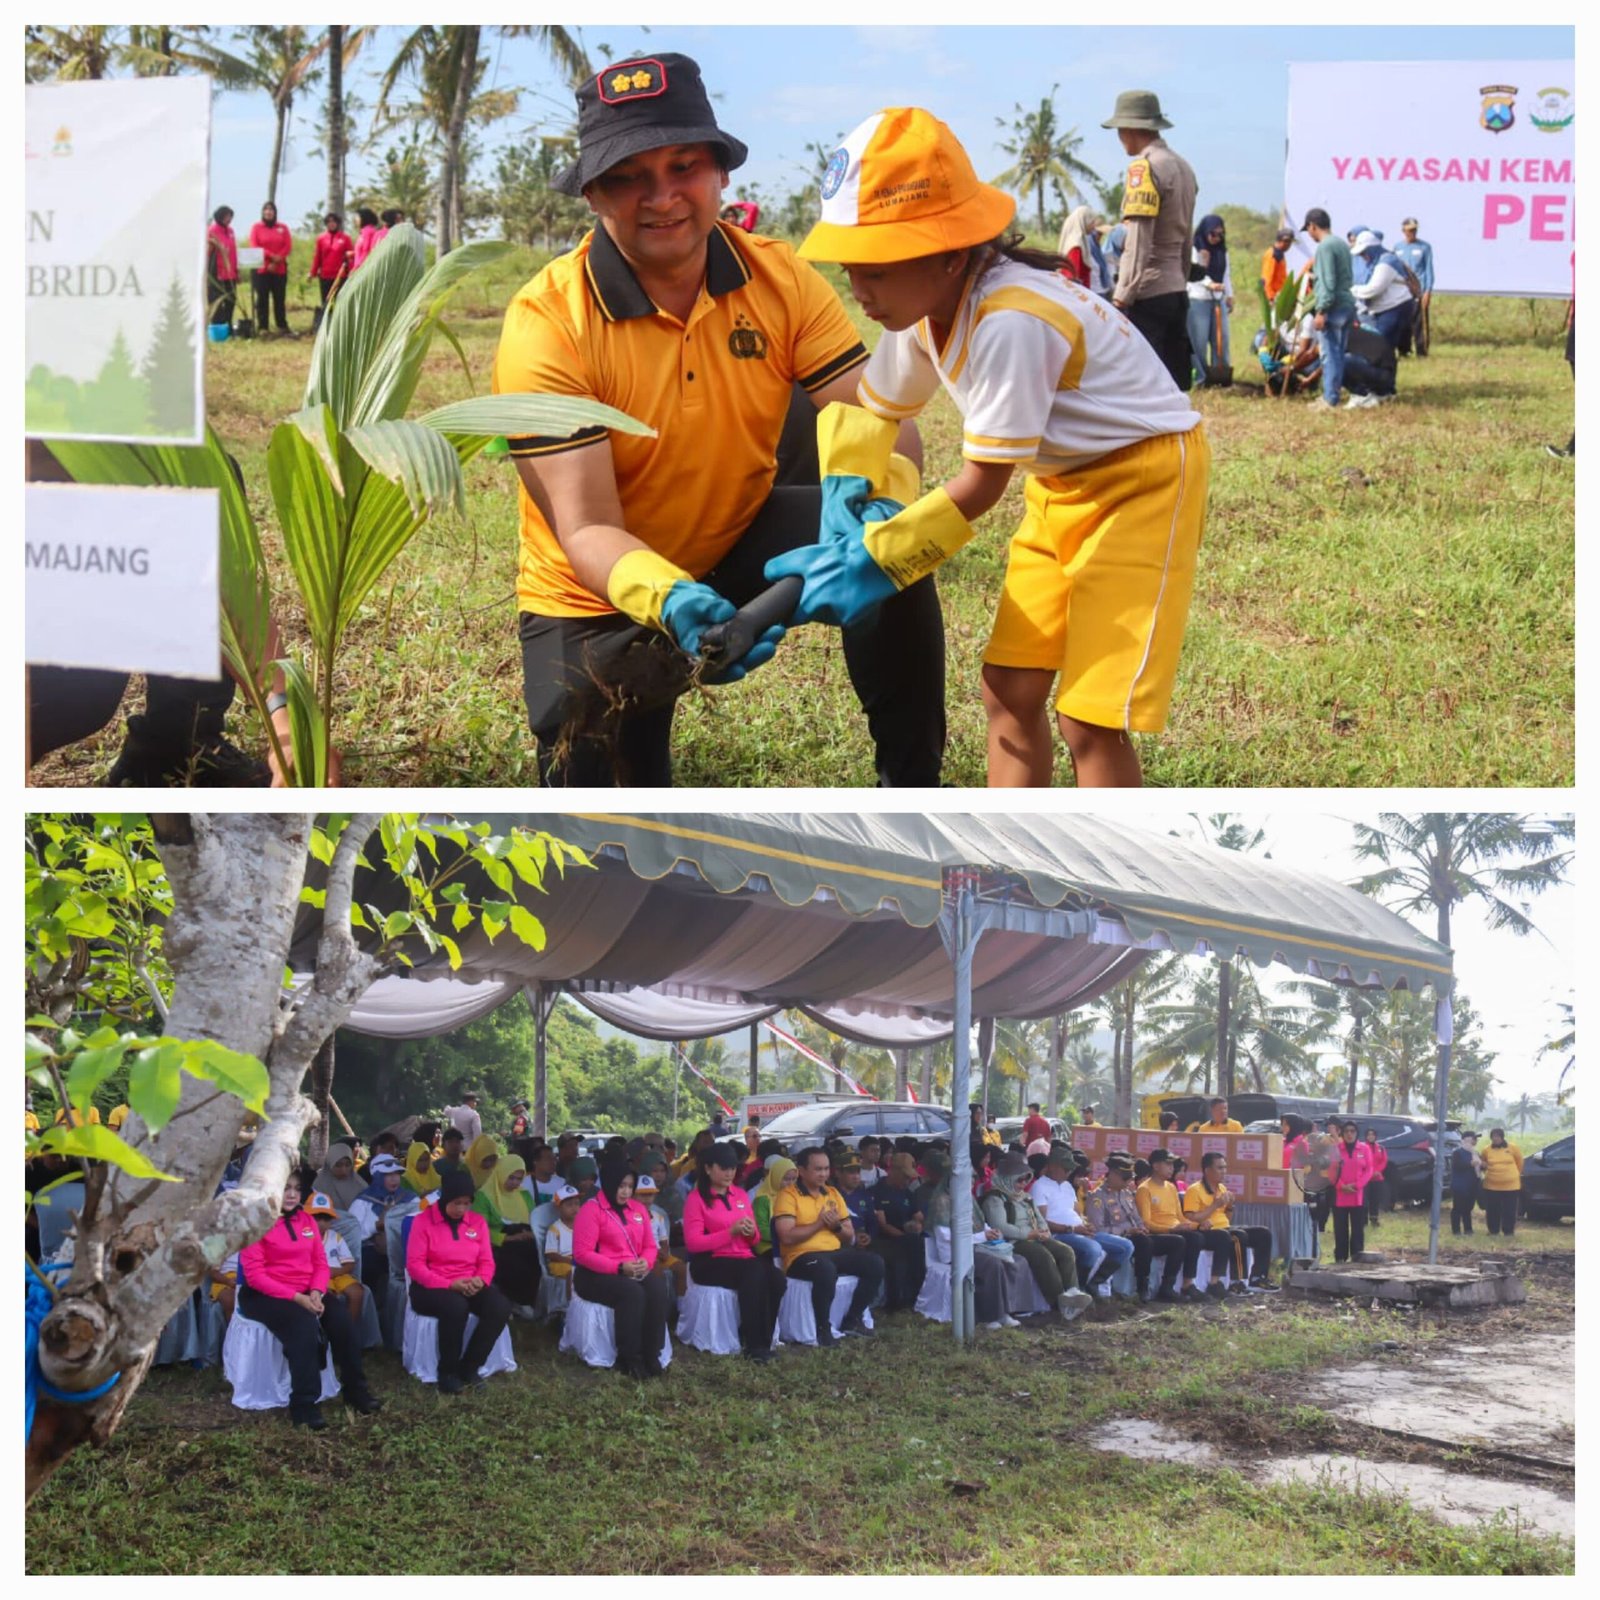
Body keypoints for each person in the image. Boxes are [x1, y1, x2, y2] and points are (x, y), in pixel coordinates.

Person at [493, 52, 942, 789]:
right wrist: (668, 598)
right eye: (630, 175)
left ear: (721, 173)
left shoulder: (778, 276)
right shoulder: (548, 324)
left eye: (682, 166)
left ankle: (914, 787)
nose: (661, 196)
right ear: (594, 193)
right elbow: (585, 530)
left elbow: (881, 418)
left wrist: (879, 507)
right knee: (609, 828)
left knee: (895, 555)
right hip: (600, 592)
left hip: (736, 536)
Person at [785, 107, 1207, 792]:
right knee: (1007, 687)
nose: (859, 293)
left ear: (950, 252)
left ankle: (1105, 877)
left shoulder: (1012, 320)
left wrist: (881, 560)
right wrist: (843, 500)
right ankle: (1007, 855)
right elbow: (874, 413)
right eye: (849, 270)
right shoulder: (921, 311)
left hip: (1144, 484)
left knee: (1089, 719)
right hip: (1062, 486)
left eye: (878, 272)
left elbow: (982, 485)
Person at [238, 1173, 382, 1427]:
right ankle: (304, 1405)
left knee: (343, 1323)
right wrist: (297, 1298)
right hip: (264, 1294)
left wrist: (316, 1290)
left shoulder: (307, 1220)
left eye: (296, 1188)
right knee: (303, 1326)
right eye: (285, 1189)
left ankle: (355, 1391)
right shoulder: (255, 1223)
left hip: (307, 1290)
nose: (292, 1194)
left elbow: (320, 1263)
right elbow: (255, 1276)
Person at [1103, 89, 1198, 391]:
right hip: (1176, 292)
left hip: (1148, 295)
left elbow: (1139, 240)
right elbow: (1186, 238)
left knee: (1139, 389)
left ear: (1130, 130)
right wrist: (1180, 279)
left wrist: (1121, 297)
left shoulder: (1144, 168)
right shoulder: (1183, 167)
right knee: (1174, 388)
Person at [405, 1170, 513, 1392]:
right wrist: (448, 1285)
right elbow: (415, 1266)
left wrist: (480, 1281)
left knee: (500, 1306)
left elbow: (486, 1261)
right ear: (445, 1199)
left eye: (466, 1203)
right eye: (456, 1203)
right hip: (431, 1287)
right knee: (456, 1307)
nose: (462, 1209)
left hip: (470, 1283)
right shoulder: (423, 1222)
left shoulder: (477, 1222)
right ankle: (448, 1372)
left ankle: (471, 1366)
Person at [773, 1146, 886, 1344]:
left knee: (874, 1263)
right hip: (800, 1256)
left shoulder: (832, 1193)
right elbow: (787, 1237)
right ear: (802, 1170)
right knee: (825, 1269)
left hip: (833, 1252)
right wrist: (819, 1224)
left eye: (826, 1169)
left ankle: (852, 1319)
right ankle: (822, 1328)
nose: (823, 1173)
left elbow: (849, 1236)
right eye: (818, 1169)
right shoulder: (788, 1195)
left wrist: (835, 1228)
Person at [682, 1140, 781, 1362]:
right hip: (709, 1262)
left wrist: (749, 1231)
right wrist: (730, 1232)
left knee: (776, 1277)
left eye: (733, 1168)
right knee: (753, 1273)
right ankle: (753, 1345)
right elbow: (694, 1243)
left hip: (742, 1256)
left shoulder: (739, 1195)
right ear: (708, 1169)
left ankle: (765, 1339)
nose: (729, 1173)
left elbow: (754, 1238)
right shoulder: (695, 1199)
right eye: (723, 1168)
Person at [572, 1156, 670, 1378]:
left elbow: (649, 1245)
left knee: (656, 1288)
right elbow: (583, 1254)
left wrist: (646, 1261)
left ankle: (652, 1354)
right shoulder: (591, 1210)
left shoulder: (637, 1209)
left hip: (632, 1269)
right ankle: (629, 1358)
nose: (626, 1192)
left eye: (629, 1186)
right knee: (632, 1293)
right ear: (608, 1183)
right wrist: (618, 1268)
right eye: (621, 1186)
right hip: (594, 1274)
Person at [983, 1151, 1093, 1319]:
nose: (1023, 1184)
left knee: (1065, 1251)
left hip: (1035, 1236)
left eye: (1026, 1179)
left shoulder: (1025, 1197)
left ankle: (1073, 1293)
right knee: (1044, 1256)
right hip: (1014, 1241)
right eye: (1019, 1180)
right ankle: (1058, 1302)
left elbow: (1040, 1218)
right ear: (1007, 1178)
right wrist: (1029, 1234)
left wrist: (1044, 1232)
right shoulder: (995, 1199)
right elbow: (1001, 1227)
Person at [1084, 1154, 1186, 1302]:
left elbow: (1137, 1218)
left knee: (1177, 1242)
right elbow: (1099, 1229)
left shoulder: (1127, 1194)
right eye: (1125, 1177)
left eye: (1130, 1177)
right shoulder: (1097, 1197)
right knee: (1144, 1242)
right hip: (1119, 1238)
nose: (1129, 1181)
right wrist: (1127, 1231)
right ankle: (1142, 1287)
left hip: (1137, 1234)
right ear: (1112, 1174)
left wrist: (1141, 1227)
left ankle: (1167, 1287)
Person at [1135, 1147, 1229, 1301]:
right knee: (1184, 1240)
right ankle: (1168, 1287)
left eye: (1173, 1165)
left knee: (1214, 1236)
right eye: (1168, 1165)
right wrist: (1171, 1229)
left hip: (1175, 1229)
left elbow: (1180, 1217)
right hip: (1159, 1232)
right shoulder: (1144, 1189)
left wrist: (1197, 1225)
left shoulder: (1171, 1188)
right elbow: (1146, 1223)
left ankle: (1199, 1284)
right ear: (1156, 1166)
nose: (1172, 1169)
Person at [1183, 1153, 1275, 1290]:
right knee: (1239, 1236)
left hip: (1224, 1227)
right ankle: (1236, 1282)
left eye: (1225, 1168)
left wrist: (1230, 1206)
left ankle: (1258, 1277)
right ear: (1207, 1170)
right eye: (1220, 1168)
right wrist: (1215, 1204)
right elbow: (1191, 1218)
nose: (1224, 1172)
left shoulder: (1221, 1188)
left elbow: (1226, 1219)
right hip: (1207, 1231)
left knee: (1263, 1233)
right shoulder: (1194, 1190)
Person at [1300, 209, 1356, 413]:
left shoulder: (1324, 247)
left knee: (1329, 354)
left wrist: (1321, 310)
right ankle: (1333, 394)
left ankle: (1329, 399)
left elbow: (1328, 282)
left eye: (1309, 230)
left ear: (1312, 226)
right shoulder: (1341, 243)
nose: (1310, 235)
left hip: (1333, 307)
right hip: (1347, 303)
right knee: (1338, 353)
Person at [477, 1151, 542, 1317]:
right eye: (511, 1177)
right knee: (515, 1258)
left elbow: (534, 1219)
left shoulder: (524, 1195)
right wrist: (509, 1238)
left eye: (519, 1179)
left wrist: (530, 1233)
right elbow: (479, 1230)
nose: (514, 1183)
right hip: (497, 1244)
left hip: (524, 1239)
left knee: (536, 1254)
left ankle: (526, 1300)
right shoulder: (483, 1197)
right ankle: (514, 1300)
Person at [349, 1152, 410, 1303]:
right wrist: (377, 1226)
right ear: (377, 1176)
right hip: (371, 1253)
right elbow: (352, 1234)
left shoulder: (410, 1199)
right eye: (388, 1174)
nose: (394, 1178)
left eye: (397, 1174)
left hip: (404, 1251)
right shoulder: (362, 1202)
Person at [870, 1151, 927, 1311]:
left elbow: (919, 1216)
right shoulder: (878, 1191)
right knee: (907, 1250)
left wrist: (917, 1225)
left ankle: (917, 1295)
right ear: (893, 1171)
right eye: (905, 1176)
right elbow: (883, 1224)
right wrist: (904, 1237)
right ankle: (897, 1302)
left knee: (919, 1245)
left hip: (908, 1237)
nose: (908, 1181)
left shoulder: (907, 1192)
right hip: (885, 1239)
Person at [1186, 213, 1233, 384]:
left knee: (1221, 339)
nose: (1217, 238)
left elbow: (1226, 274)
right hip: (1198, 299)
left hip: (1218, 298)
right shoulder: (1194, 248)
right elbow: (1194, 271)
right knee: (1198, 340)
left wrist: (1230, 295)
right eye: (1213, 234)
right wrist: (1210, 284)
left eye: (1220, 234)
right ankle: (1200, 377)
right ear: (1205, 232)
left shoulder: (1222, 251)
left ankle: (1220, 373)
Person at [306, 1191, 365, 1322]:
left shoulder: (335, 1237)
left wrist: (335, 1271)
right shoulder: (303, 1238)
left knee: (357, 1292)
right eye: (317, 1218)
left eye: (326, 1219)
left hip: (338, 1274)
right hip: (317, 1277)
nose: (321, 1223)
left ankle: (349, 1330)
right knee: (328, 1297)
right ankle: (326, 1334)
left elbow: (350, 1263)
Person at [1327, 1120, 1374, 1263]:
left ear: (1357, 1133)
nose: (1349, 1134)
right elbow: (1331, 1171)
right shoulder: (1336, 1149)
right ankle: (1340, 1258)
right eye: (1346, 1131)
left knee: (1357, 1229)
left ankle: (1357, 1258)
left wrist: (1358, 1185)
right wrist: (1341, 1186)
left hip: (1357, 1195)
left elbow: (1369, 1169)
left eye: (1352, 1131)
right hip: (1340, 1195)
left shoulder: (1364, 1149)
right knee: (1340, 1229)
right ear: (1342, 1133)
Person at [247, 201, 292, 336]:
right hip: (262, 270)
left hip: (280, 269)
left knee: (279, 298)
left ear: (275, 212)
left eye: (271, 209)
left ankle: (282, 325)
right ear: (262, 212)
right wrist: (271, 258)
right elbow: (255, 246)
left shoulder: (283, 228)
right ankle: (263, 327)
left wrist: (278, 260)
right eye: (266, 209)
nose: (268, 212)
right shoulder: (256, 227)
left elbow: (287, 246)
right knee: (262, 299)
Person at [1391, 218, 1434, 356]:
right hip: (1402, 290)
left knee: (1419, 322)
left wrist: (1427, 291)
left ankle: (1422, 351)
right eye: (1409, 230)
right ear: (1403, 231)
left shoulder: (1424, 247)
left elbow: (1428, 270)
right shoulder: (1397, 248)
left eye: (1414, 230)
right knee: (1403, 322)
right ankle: (1404, 350)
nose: (1412, 233)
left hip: (1418, 290)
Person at [308, 211, 353, 331]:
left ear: (337, 224)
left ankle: (340, 324)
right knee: (326, 300)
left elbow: (351, 257)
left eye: (334, 222)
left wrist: (352, 271)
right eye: (329, 222)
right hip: (325, 275)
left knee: (340, 299)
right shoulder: (321, 239)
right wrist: (312, 273)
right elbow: (317, 257)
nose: (331, 224)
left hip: (341, 276)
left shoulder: (345, 238)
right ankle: (326, 324)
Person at [1479, 1127, 1524, 1236]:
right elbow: (1483, 1162)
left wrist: (1514, 1174)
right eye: (1493, 1137)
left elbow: (1520, 1163)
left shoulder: (1513, 1148)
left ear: (1502, 1137)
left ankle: (1508, 1231)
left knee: (1510, 1210)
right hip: (1492, 1186)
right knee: (1492, 1210)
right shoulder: (1486, 1149)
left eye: (1498, 1136)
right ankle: (1493, 1230)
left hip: (1511, 1186)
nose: (1495, 1139)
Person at [1056, 204, 1107, 290]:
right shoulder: (1076, 245)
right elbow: (1073, 277)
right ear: (1084, 221)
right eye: (1092, 222)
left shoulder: (1082, 241)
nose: (1094, 226)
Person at [206, 206, 239, 328]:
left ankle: (228, 324)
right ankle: (218, 325)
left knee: (231, 299)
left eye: (230, 217)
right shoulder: (211, 230)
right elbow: (207, 252)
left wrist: (237, 271)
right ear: (219, 216)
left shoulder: (230, 231)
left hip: (230, 273)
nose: (228, 219)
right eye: (226, 216)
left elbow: (234, 251)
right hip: (217, 272)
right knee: (217, 301)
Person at [544, 1184, 582, 1278]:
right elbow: (551, 1254)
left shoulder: (583, 1226)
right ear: (559, 1208)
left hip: (579, 1260)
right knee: (573, 1271)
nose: (574, 1208)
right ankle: (570, 1293)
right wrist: (570, 1261)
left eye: (577, 1203)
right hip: (561, 1262)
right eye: (569, 1205)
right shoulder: (555, 1229)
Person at [1450, 1132, 1481, 1235]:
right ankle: (1456, 1230)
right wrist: (1469, 1164)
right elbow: (1457, 1166)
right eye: (1473, 1139)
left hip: (1472, 1185)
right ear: (1467, 1139)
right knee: (1458, 1208)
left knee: (1468, 1208)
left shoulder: (1475, 1153)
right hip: (1460, 1185)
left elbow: (1479, 1170)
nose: (1475, 1141)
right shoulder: (1457, 1153)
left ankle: (1468, 1229)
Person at [1260, 225, 1295, 307]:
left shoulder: (1280, 254)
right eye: (1288, 242)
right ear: (1283, 241)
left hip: (1280, 296)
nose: (1289, 245)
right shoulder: (1272, 254)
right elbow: (1266, 279)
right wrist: (1270, 298)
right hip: (1273, 298)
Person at [1363, 1128, 1389, 1226]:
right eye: (1369, 1134)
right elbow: (1362, 1162)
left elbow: (1384, 1161)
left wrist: (1377, 1171)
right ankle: (1363, 1221)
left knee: (1375, 1200)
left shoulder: (1381, 1148)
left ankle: (1374, 1220)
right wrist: (1369, 1173)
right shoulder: (1363, 1147)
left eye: (1372, 1134)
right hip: (1365, 1179)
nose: (1371, 1136)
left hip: (1377, 1178)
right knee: (1365, 1201)